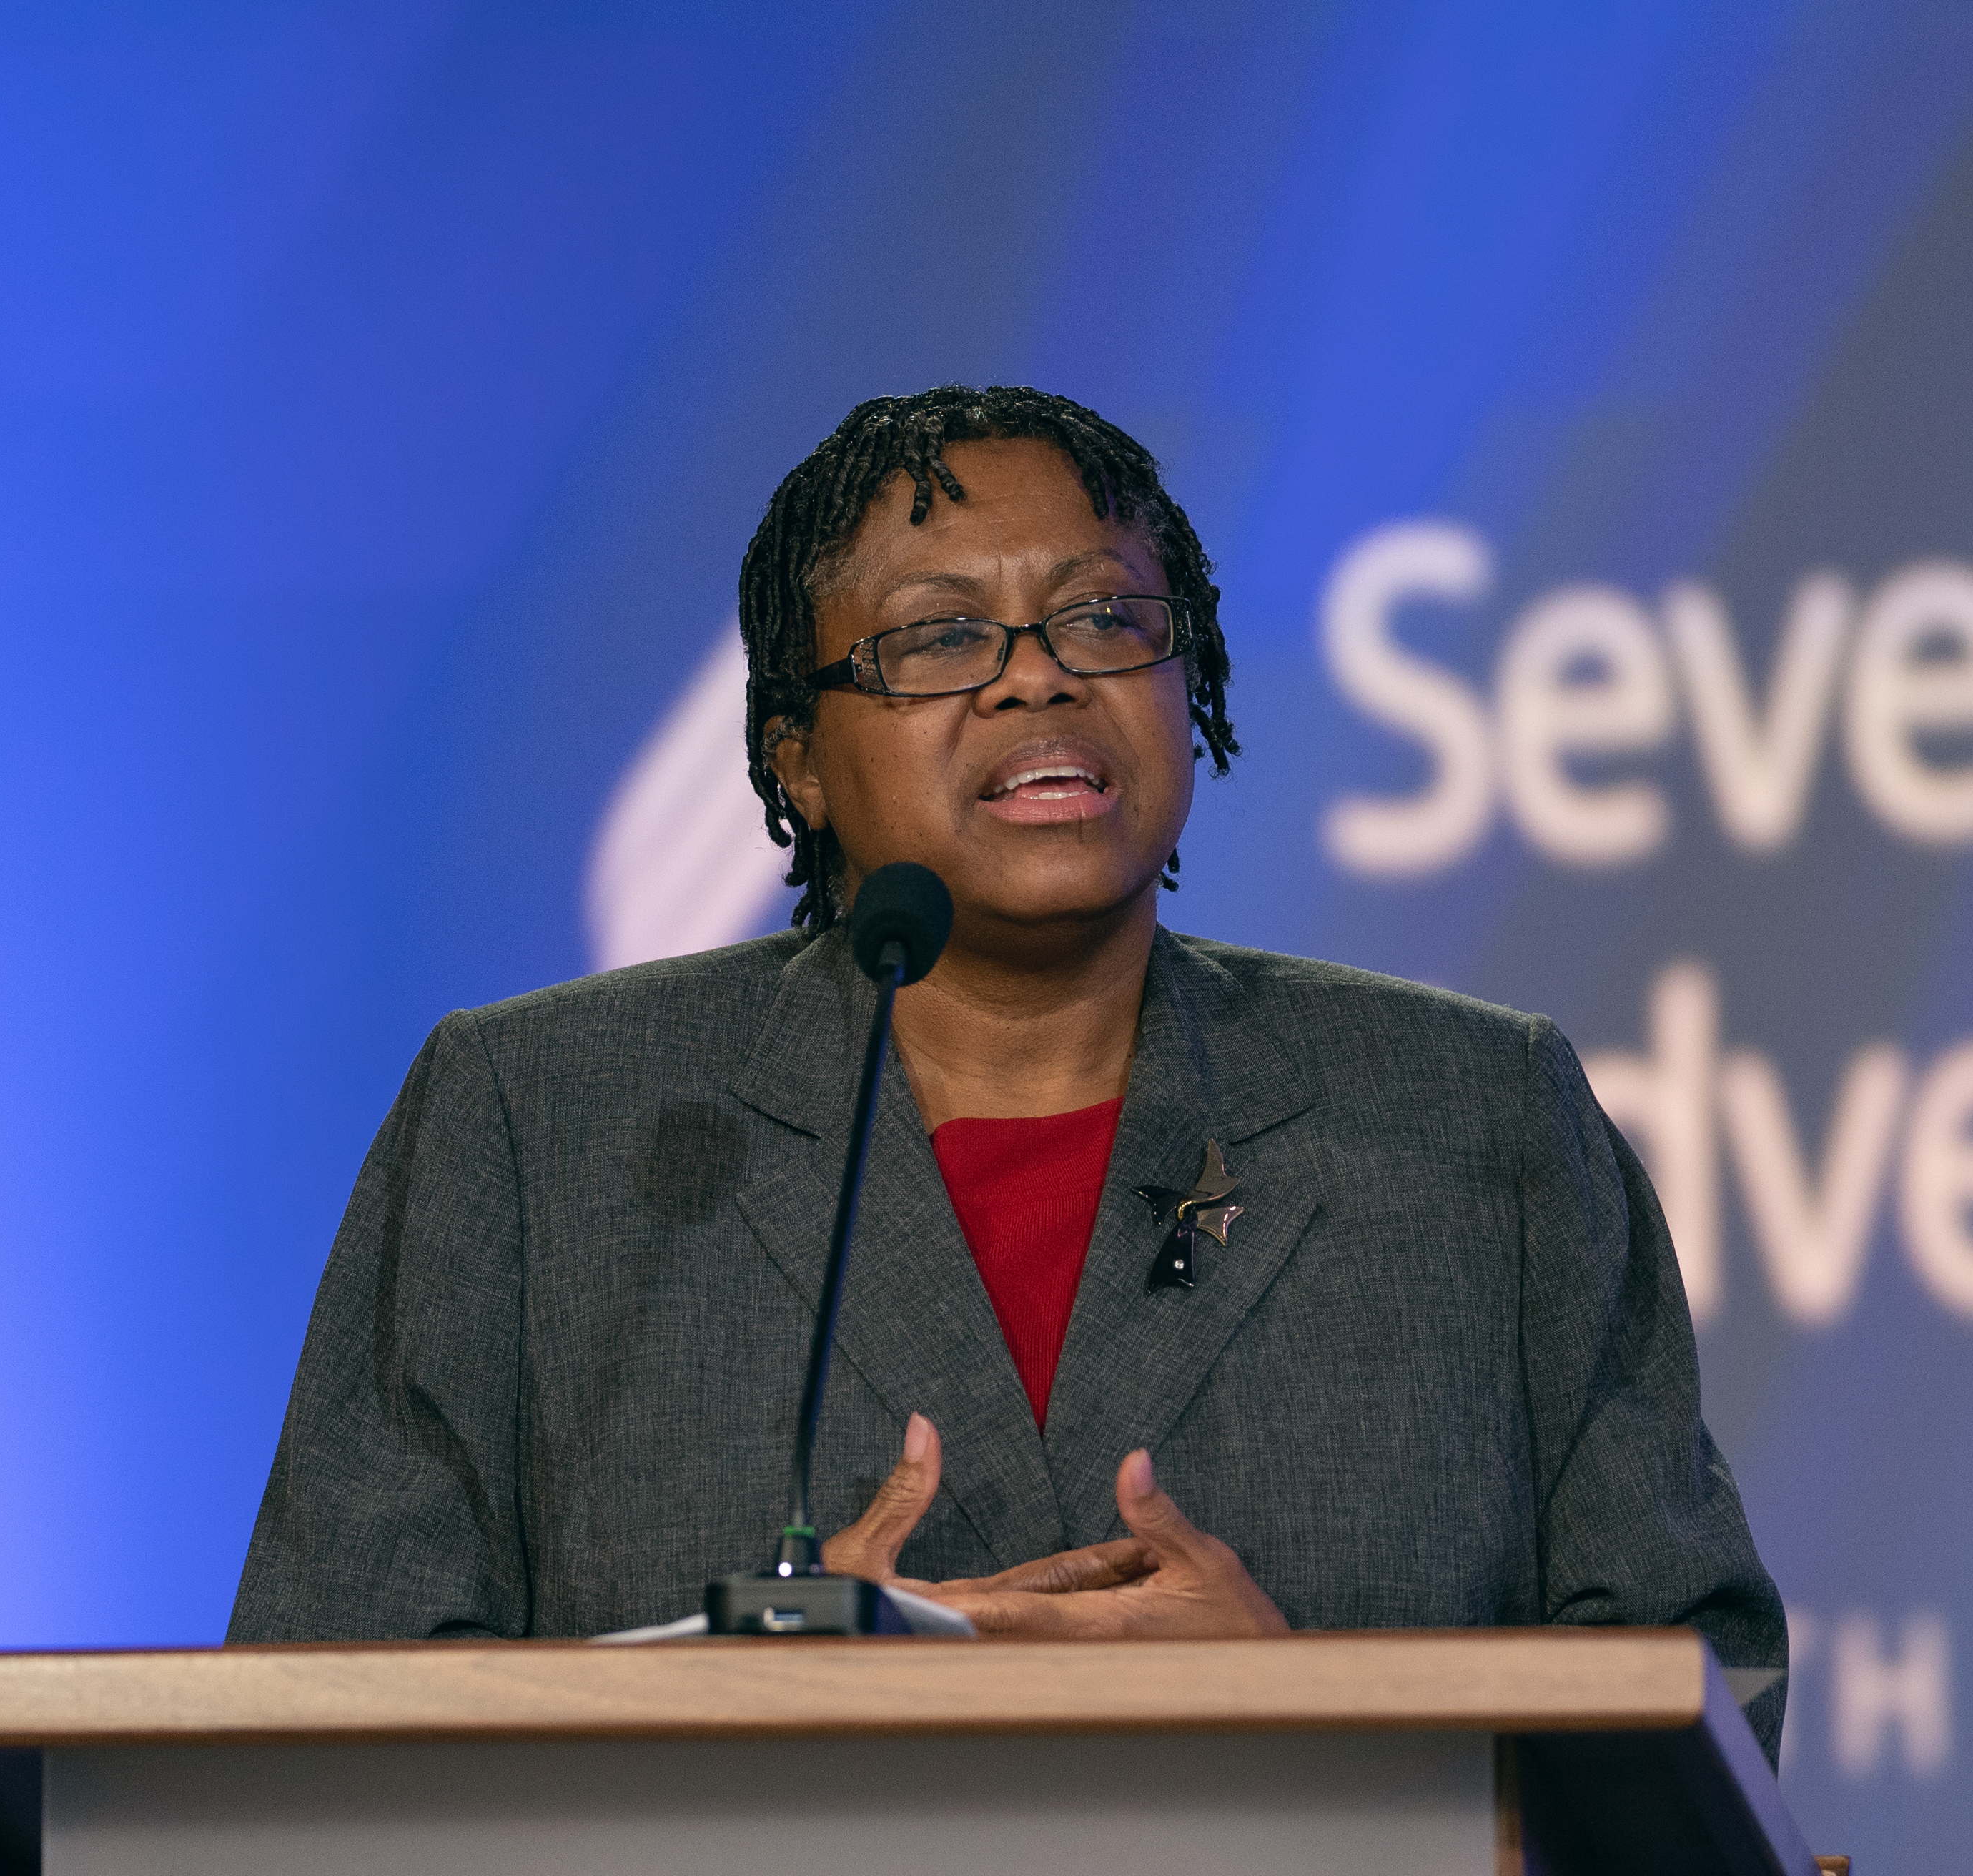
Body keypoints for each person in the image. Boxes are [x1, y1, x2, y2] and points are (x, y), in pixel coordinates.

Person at [228, 385, 1788, 1760]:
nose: (1037, 678)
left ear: (1187, 688)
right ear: (794, 756)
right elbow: (328, 1729)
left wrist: (1311, 1720)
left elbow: (1696, 1697)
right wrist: (749, 1728)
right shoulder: (539, 1118)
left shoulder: (1475, 1115)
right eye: (940, 636)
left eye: (1104, 619)